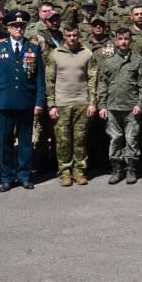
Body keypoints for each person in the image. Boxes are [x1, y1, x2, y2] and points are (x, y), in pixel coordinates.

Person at [0, 10, 46, 192]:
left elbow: (39, 79)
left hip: (26, 102)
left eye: (21, 26)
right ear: (8, 28)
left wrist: (39, 102)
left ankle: (24, 175)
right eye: (14, 26)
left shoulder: (33, 48)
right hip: (4, 102)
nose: (18, 29)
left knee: (26, 143)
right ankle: (7, 177)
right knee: (5, 142)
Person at [45, 24, 96, 186]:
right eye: (68, 35)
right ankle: (65, 172)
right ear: (64, 36)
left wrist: (92, 103)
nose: (72, 38)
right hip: (61, 104)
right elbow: (50, 81)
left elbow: (92, 79)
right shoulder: (55, 54)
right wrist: (51, 105)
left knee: (80, 140)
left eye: (75, 35)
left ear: (79, 35)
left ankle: (79, 171)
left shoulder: (87, 53)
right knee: (63, 141)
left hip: (82, 103)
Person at [97, 28, 142, 185]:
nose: (123, 41)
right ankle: (117, 170)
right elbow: (102, 85)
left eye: (126, 38)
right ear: (116, 40)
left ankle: (131, 170)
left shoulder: (138, 61)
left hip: (131, 107)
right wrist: (102, 106)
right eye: (120, 39)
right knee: (115, 139)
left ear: (130, 40)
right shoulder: (108, 62)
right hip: (112, 107)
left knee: (132, 139)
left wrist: (140, 103)